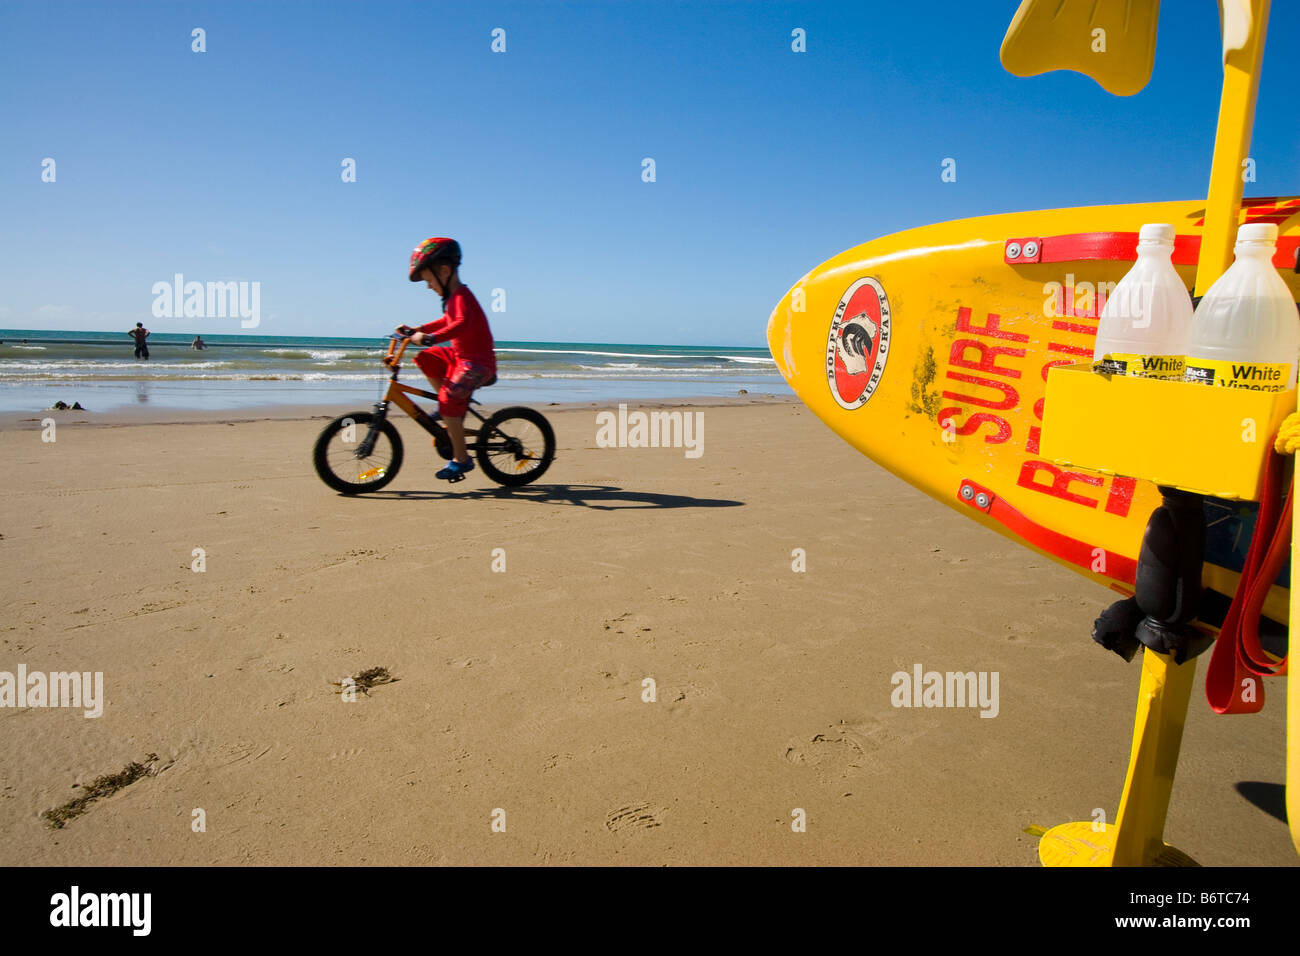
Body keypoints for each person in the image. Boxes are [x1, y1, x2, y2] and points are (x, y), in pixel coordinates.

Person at [395, 237, 497, 482]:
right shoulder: (452, 300)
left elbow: (460, 324)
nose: (429, 286)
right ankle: (450, 408)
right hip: (460, 358)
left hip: (478, 363)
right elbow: (444, 323)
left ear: (444, 270)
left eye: (429, 280)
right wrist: (415, 330)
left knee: (449, 397)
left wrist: (431, 337)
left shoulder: (462, 296)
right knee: (426, 359)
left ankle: (462, 459)